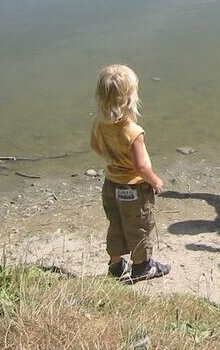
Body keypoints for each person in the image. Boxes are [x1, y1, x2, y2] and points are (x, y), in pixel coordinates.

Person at [90, 64, 170, 282]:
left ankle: (116, 265)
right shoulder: (133, 132)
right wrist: (156, 181)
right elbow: (141, 167)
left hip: (111, 184)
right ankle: (142, 266)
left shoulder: (100, 124)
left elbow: (95, 146)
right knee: (139, 226)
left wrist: (113, 159)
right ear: (130, 98)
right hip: (133, 188)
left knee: (115, 224)